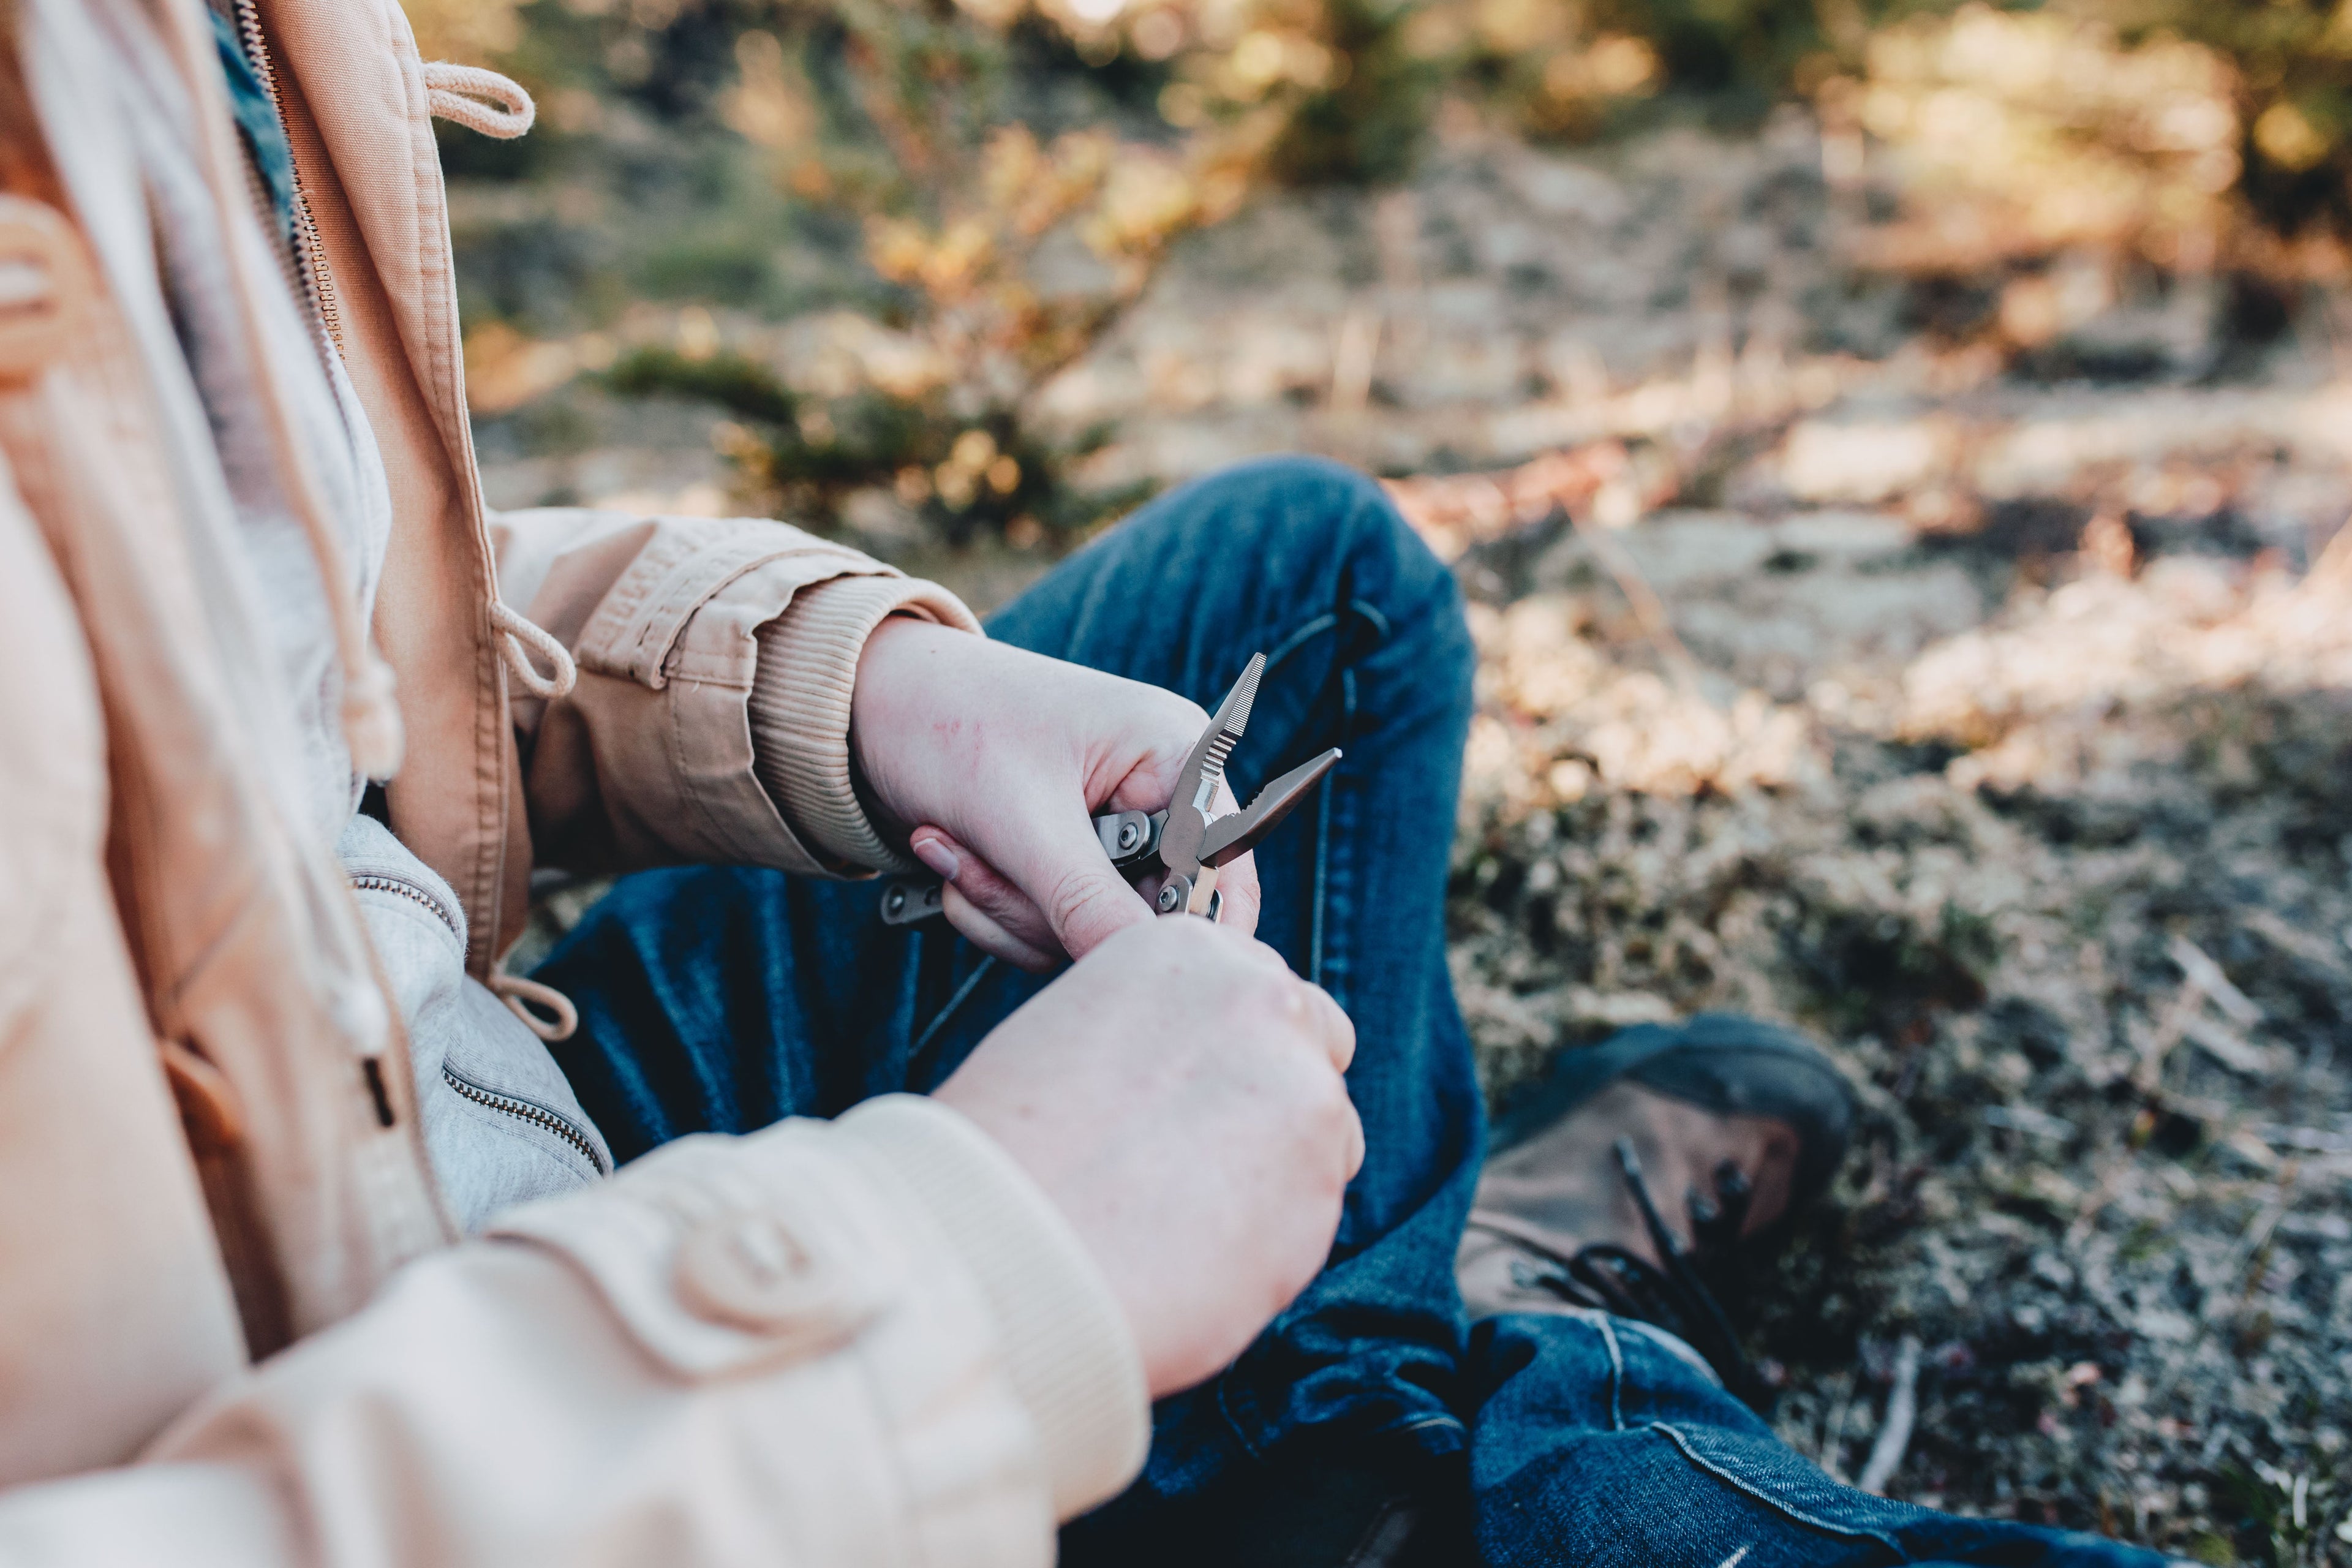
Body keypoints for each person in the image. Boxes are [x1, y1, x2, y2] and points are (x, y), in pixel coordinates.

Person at [0, 1, 2179, 1563]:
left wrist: (843, 692)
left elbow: (256, 659)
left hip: (428, 1117)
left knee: (1308, 583)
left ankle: (1368, 1366)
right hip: (506, 1436)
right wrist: (964, 1279)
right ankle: (1453, 1392)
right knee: (1482, 1471)